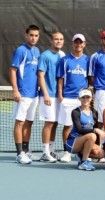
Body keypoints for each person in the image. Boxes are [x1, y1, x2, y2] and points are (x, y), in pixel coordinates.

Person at [10, 24, 40, 164]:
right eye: (31, 35)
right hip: (22, 94)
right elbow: (12, 71)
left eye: (36, 35)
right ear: (26, 35)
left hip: (34, 94)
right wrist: (15, 90)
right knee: (20, 123)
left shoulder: (38, 51)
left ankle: (26, 151)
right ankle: (19, 153)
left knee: (29, 123)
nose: (33, 38)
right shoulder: (21, 51)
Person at [57, 33, 89, 163]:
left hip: (83, 99)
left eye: (80, 42)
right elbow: (61, 79)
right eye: (76, 42)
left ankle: (83, 151)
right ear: (73, 43)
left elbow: (89, 79)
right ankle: (66, 152)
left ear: (84, 44)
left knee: (85, 126)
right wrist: (60, 96)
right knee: (68, 126)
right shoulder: (65, 60)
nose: (78, 45)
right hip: (68, 98)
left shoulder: (88, 60)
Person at [38, 31, 65, 162]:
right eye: (56, 39)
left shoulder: (62, 55)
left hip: (58, 96)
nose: (58, 41)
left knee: (54, 123)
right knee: (48, 123)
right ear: (51, 41)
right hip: (48, 95)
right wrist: (46, 94)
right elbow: (41, 76)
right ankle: (45, 152)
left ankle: (51, 150)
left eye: (61, 39)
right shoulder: (45, 56)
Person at [66, 88, 105, 171]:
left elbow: (95, 131)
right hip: (73, 142)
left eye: (88, 97)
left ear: (91, 98)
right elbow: (79, 130)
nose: (85, 99)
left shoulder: (94, 112)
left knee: (101, 154)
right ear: (79, 99)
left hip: (87, 140)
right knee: (92, 135)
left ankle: (81, 155)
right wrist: (95, 130)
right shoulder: (76, 112)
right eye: (83, 97)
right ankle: (84, 162)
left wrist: (97, 145)